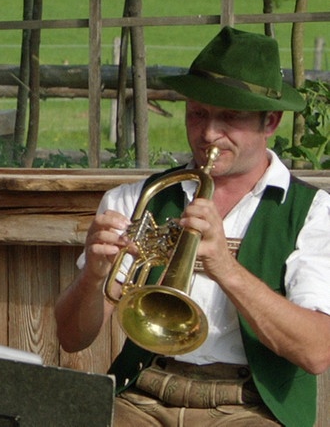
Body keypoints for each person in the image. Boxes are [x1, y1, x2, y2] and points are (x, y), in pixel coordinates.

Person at [54, 27, 330, 427]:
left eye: (230, 117)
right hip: (140, 392)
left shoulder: (314, 212)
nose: (208, 134)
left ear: (270, 121)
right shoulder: (135, 199)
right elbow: (71, 339)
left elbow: (317, 352)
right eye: (198, 113)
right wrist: (92, 279)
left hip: (249, 406)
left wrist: (226, 267)